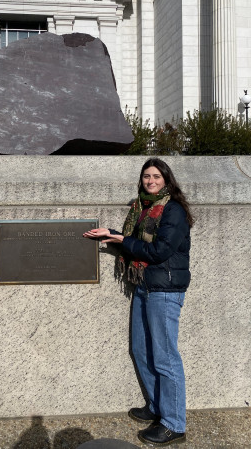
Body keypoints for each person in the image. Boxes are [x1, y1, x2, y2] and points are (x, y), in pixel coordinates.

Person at [83, 158, 193, 447]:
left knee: (165, 357)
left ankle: (174, 424)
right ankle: (158, 407)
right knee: (141, 350)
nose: (150, 181)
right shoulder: (142, 209)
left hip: (165, 289)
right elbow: (135, 240)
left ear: (167, 180)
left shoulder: (173, 211)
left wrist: (120, 239)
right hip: (144, 285)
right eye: (146, 176)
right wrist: (113, 235)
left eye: (156, 176)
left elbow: (158, 251)